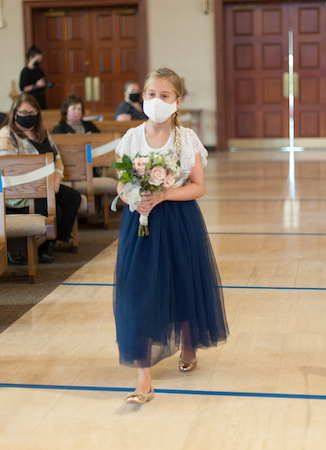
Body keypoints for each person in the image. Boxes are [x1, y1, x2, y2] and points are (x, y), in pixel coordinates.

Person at [113, 68, 229, 404]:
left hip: (178, 219)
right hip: (141, 223)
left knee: (182, 282)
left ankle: (189, 343)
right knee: (140, 292)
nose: (156, 101)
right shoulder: (131, 138)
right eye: (151, 95)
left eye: (164, 96)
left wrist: (163, 195)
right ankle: (144, 379)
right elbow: (121, 185)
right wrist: (135, 197)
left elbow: (198, 186)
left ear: (177, 101)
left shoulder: (186, 138)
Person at [0, 93, 81, 265]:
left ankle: (47, 245)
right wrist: (40, 186)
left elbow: (57, 158)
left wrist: (57, 178)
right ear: (14, 113)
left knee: (73, 198)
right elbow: (9, 170)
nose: (28, 116)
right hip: (21, 194)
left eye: (32, 112)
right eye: (23, 113)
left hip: (48, 186)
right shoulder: (7, 135)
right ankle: (16, 248)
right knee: (55, 210)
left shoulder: (41, 132)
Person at [19, 45, 49, 110]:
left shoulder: (39, 70)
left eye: (40, 59)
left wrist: (45, 84)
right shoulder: (25, 71)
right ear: (31, 58)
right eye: (37, 59)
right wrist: (36, 85)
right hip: (31, 99)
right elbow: (23, 88)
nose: (39, 61)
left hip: (41, 98)